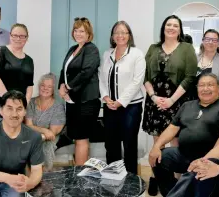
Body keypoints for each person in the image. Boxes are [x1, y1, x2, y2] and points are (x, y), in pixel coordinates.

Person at [148, 73, 219, 196]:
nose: (205, 88)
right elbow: (171, 129)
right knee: (158, 157)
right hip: (183, 154)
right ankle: (170, 192)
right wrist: (156, 146)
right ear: (197, 88)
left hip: (208, 159)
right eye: (202, 85)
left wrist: (204, 160)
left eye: (210, 85)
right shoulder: (187, 106)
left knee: (194, 179)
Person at [143, 15, 198, 195]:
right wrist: (153, 97)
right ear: (163, 27)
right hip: (155, 102)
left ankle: (178, 187)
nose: (172, 28)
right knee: (158, 144)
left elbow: (190, 77)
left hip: (177, 101)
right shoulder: (153, 48)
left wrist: (171, 100)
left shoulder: (187, 48)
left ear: (180, 30)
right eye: (168, 24)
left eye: (175, 25)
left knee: (175, 144)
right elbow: (145, 76)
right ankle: (159, 180)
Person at [99, 21, 146, 174]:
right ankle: (113, 177)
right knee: (111, 144)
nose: (120, 35)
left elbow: (137, 81)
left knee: (129, 144)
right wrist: (106, 97)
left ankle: (131, 181)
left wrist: (120, 102)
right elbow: (101, 78)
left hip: (131, 106)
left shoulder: (136, 54)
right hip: (110, 105)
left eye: (124, 32)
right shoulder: (107, 54)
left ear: (129, 35)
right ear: (112, 37)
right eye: (116, 33)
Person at [58, 17, 101, 165]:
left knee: (82, 139)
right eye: (76, 30)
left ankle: (80, 177)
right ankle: (78, 172)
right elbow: (64, 70)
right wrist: (61, 85)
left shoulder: (91, 49)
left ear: (88, 33)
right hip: (72, 101)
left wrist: (68, 86)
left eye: (81, 31)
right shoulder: (73, 49)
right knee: (76, 137)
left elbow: (86, 72)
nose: (78, 33)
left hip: (86, 101)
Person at [0, 23, 34, 124]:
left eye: (22, 36)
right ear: (10, 35)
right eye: (15, 35)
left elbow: (29, 86)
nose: (18, 38)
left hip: (18, 111)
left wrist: (23, 104)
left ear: (27, 38)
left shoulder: (29, 60)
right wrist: (9, 100)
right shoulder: (1, 51)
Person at [25, 73, 65, 171]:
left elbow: (51, 133)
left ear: (53, 89)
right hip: (31, 135)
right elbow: (28, 125)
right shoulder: (31, 102)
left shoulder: (58, 106)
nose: (45, 88)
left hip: (48, 139)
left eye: (49, 86)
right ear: (39, 86)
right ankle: (31, 176)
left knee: (44, 145)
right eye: (43, 85)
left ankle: (42, 175)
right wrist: (44, 130)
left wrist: (43, 132)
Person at [190, 29, 219, 101]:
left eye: (214, 40)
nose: (210, 42)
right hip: (192, 103)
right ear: (203, 41)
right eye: (207, 39)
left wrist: (218, 109)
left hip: (213, 105)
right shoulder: (194, 59)